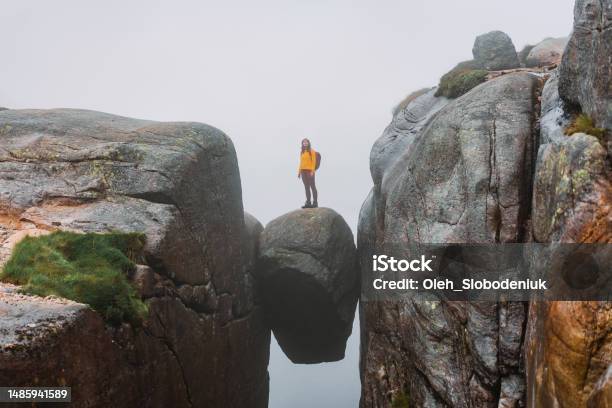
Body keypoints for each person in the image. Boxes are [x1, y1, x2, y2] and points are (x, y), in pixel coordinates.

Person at [298, 138, 318, 208]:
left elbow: (314, 162)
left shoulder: (312, 151)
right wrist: (299, 172)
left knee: (312, 186)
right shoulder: (302, 152)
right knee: (306, 187)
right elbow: (301, 162)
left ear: (308, 143)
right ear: (302, 144)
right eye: (304, 142)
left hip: (309, 171)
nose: (305, 143)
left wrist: (312, 171)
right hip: (303, 171)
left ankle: (315, 202)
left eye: (306, 142)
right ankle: (308, 202)